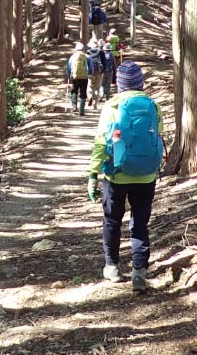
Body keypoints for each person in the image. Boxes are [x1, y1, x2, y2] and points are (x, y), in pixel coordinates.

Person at [86, 60, 164, 293]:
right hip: (146, 174)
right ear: (140, 83)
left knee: (112, 220)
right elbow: (159, 136)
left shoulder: (112, 107)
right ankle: (139, 271)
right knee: (140, 223)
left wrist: (93, 174)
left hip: (116, 174)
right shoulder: (153, 105)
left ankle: (112, 266)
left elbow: (101, 142)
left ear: (119, 84)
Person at [66, 41, 91, 116]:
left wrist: (68, 75)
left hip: (75, 77)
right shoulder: (87, 56)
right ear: (83, 49)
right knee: (83, 93)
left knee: (74, 91)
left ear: (76, 49)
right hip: (84, 77)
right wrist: (90, 73)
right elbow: (91, 68)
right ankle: (81, 111)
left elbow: (68, 67)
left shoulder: (73, 57)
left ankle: (74, 107)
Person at [87, 40, 104, 106]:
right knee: (97, 88)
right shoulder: (100, 52)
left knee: (90, 86)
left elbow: (86, 63)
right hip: (99, 72)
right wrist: (102, 71)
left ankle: (90, 96)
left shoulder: (88, 52)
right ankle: (95, 103)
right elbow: (104, 63)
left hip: (90, 72)